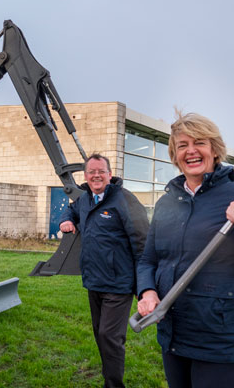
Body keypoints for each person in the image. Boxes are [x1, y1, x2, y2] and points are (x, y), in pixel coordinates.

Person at [136, 111, 234, 388]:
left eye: (200, 142)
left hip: (221, 341)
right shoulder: (166, 204)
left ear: (214, 150)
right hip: (174, 335)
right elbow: (148, 260)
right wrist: (147, 291)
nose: (191, 151)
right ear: (174, 155)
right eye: (182, 145)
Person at [60, 153, 149, 388]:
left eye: (101, 171)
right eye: (91, 172)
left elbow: (143, 245)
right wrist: (66, 220)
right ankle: (108, 376)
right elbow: (71, 209)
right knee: (101, 334)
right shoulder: (86, 199)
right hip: (94, 282)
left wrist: (144, 290)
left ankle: (113, 384)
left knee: (110, 337)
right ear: (86, 176)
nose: (96, 175)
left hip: (118, 284)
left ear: (110, 174)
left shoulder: (124, 200)